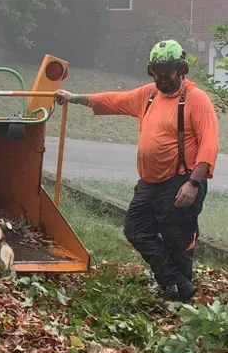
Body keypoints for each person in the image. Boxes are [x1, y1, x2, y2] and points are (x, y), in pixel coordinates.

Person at [56, 40, 219, 301]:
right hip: (149, 183)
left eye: (167, 70)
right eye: (157, 70)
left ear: (182, 68)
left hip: (181, 181)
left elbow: (209, 145)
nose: (162, 77)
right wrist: (74, 98)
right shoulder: (149, 95)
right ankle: (176, 284)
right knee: (136, 229)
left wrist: (193, 183)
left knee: (178, 240)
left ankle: (179, 296)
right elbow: (114, 100)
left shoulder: (196, 100)